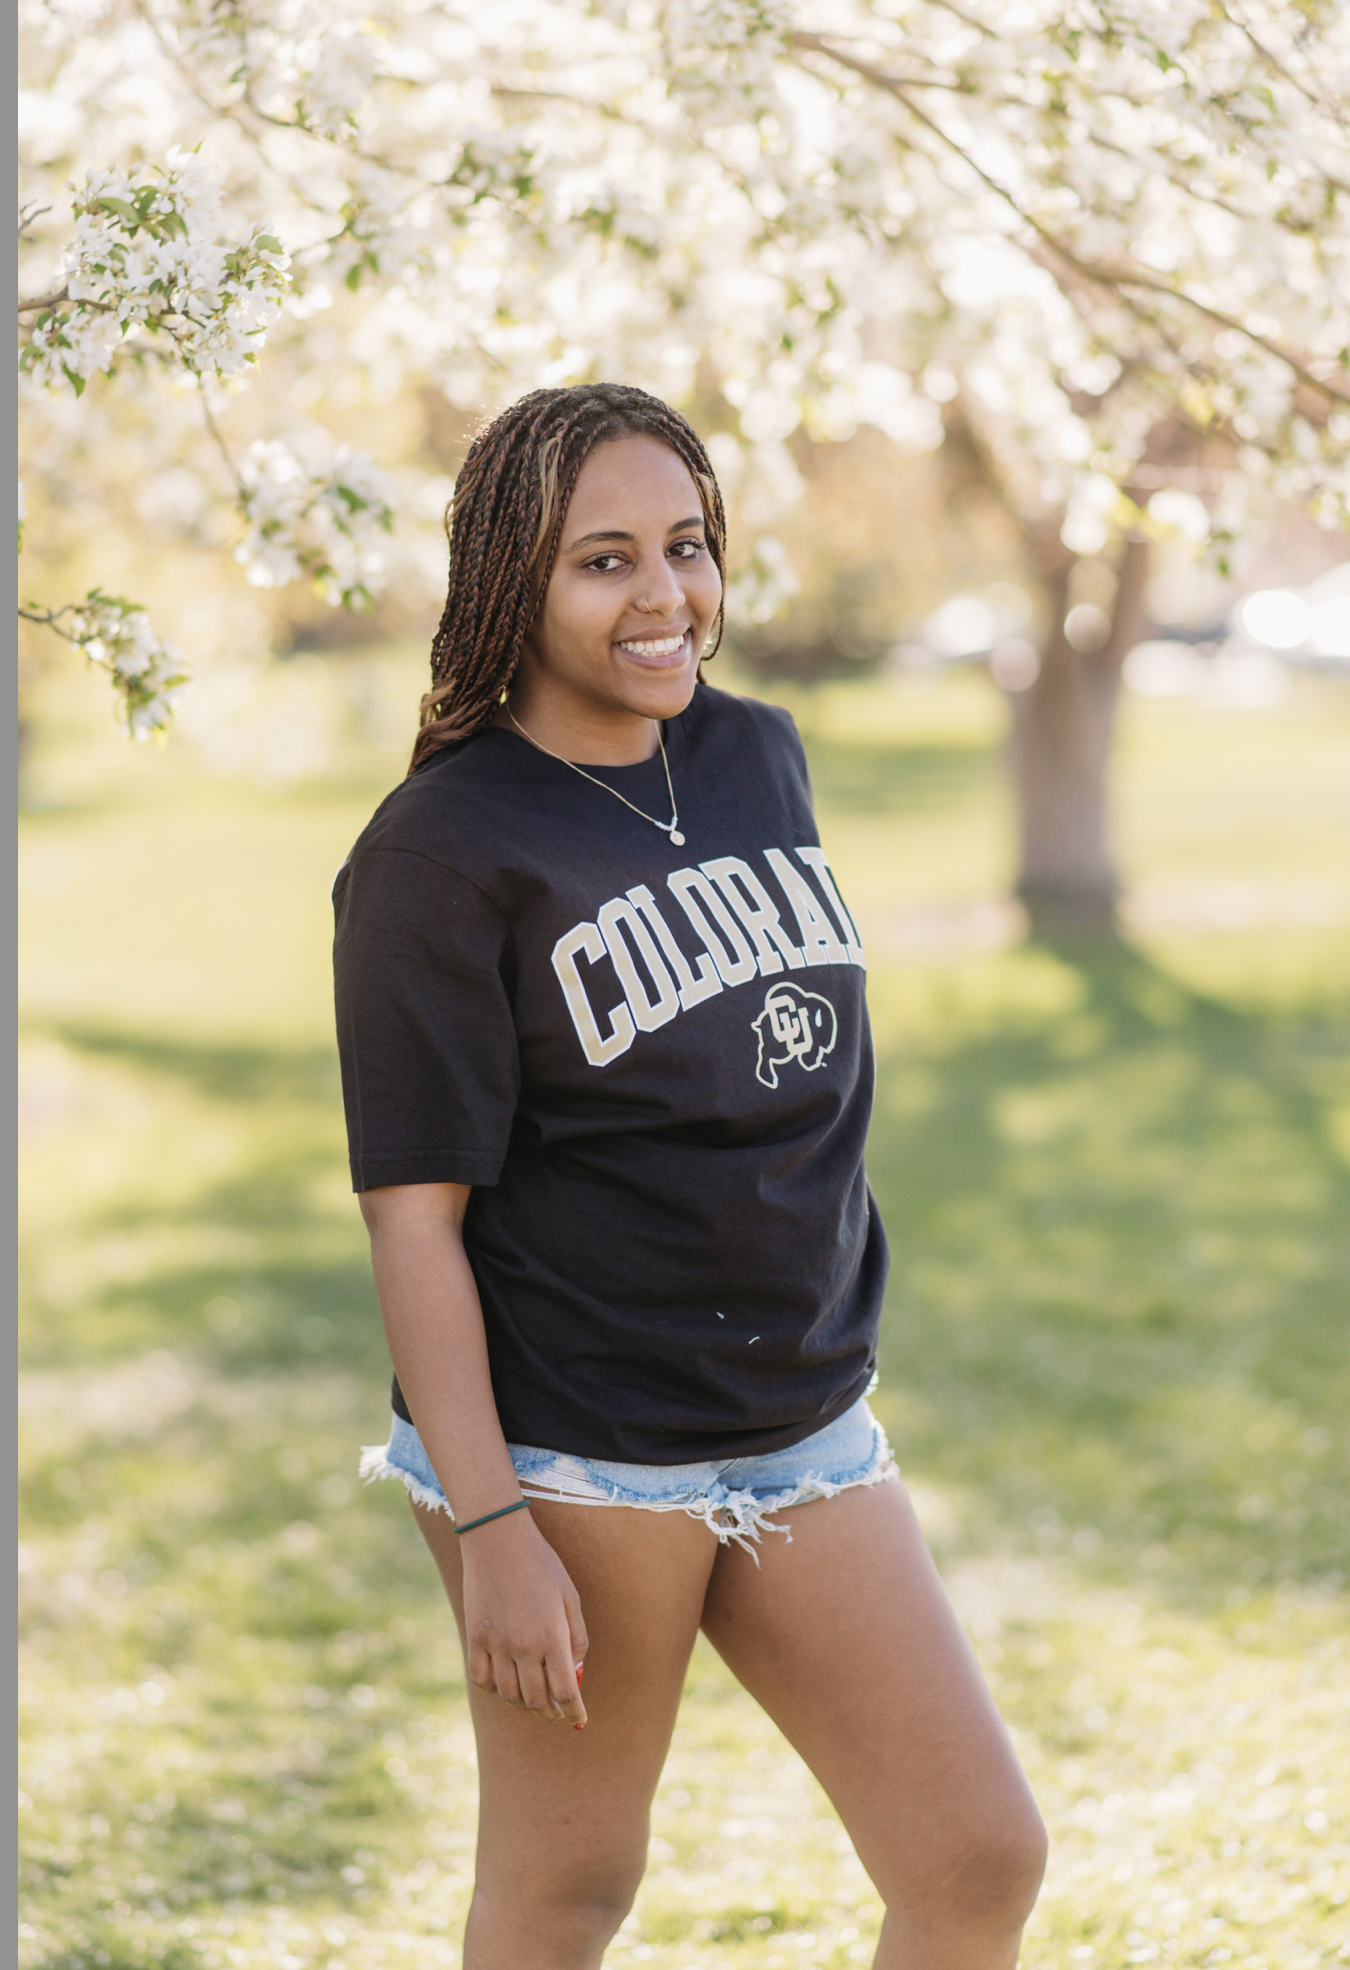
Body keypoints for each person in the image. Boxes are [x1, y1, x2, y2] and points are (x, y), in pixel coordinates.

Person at [333, 382, 1046, 1969]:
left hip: (801, 1418)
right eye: (604, 561)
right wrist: (492, 1518)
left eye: (687, 545)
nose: (664, 596)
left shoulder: (752, 756)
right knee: (567, 1889)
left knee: (975, 1855)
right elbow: (413, 1220)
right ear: (511, 578)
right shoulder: (437, 852)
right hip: (574, 1450)